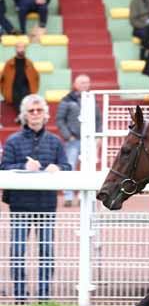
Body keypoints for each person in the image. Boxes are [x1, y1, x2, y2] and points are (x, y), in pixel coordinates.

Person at [0, 94, 72, 304]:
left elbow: (67, 166)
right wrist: (24, 167)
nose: (35, 114)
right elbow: (3, 167)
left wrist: (57, 168)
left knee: (46, 251)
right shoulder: (13, 141)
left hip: (46, 205)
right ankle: (20, 298)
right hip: (20, 205)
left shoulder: (55, 141)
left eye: (39, 110)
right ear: (25, 114)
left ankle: (43, 298)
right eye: (31, 111)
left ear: (45, 114)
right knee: (17, 251)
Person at [55, 74, 101, 207]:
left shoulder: (92, 99)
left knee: (88, 168)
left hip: (89, 140)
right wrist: (68, 136)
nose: (85, 85)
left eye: (87, 82)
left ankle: (83, 196)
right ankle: (68, 197)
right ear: (75, 85)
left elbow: (98, 119)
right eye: (82, 83)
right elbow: (60, 120)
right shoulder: (67, 100)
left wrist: (98, 136)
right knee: (70, 167)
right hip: (73, 140)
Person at [0, 42, 39, 115]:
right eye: (19, 47)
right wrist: (5, 93)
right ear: (15, 49)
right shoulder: (9, 63)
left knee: (26, 100)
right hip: (13, 90)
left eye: (23, 47)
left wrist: (34, 91)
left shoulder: (29, 63)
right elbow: (2, 79)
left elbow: (36, 78)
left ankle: (22, 116)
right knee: (16, 98)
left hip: (26, 90)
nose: (21, 50)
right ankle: (21, 116)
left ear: (25, 49)